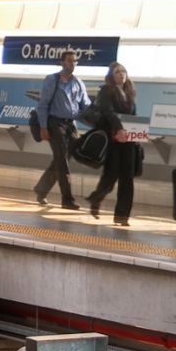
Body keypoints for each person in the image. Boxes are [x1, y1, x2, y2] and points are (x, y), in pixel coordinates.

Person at [31, 50, 89, 209]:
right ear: (62, 63)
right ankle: (67, 199)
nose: (72, 63)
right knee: (62, 160)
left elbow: (85, 106)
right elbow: (43, 105)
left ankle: (41, 189)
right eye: (69, 60)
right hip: (55, 123)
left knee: (62, 158)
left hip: (71, 124)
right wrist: (43, 126)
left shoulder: (78, 83)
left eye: (74, 61)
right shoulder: (52, 80)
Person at [86, 63, 142, 226]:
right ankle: (96, 198)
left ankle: (122, 215)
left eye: (123, 71)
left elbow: (133, 114)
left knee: (127, 177)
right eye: (117, 72)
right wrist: (119, 129)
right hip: (113, 139)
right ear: (111, 76)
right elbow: (108, 112)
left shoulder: (130, 92)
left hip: (128, 142)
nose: (121, 74)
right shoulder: (106, 91)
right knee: (111, 173)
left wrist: (136, 130)